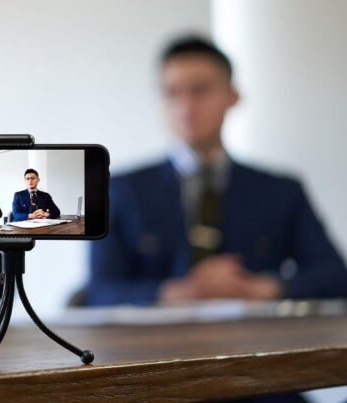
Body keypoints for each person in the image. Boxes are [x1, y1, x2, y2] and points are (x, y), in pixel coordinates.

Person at [86, 36, 347, 306]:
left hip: (254, 340)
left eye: (200, 90)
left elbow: (335, 276)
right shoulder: (119, 189)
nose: (186, 106)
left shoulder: (281, 191)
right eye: (172, 93)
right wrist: (179, 293)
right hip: (153, 346)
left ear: (233, 96)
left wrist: (262, 288)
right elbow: (98, 291)